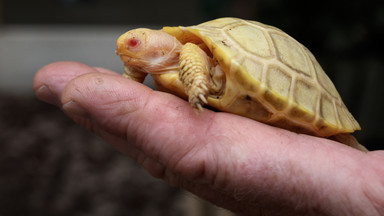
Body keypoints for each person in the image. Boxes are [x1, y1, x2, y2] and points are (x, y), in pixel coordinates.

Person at [33, 61, 384, 216]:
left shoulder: (188, 53)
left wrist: (196, 79)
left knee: (340, 142)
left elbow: (190, 57)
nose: (128, 51)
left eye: (137, 42)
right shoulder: (158, 62)